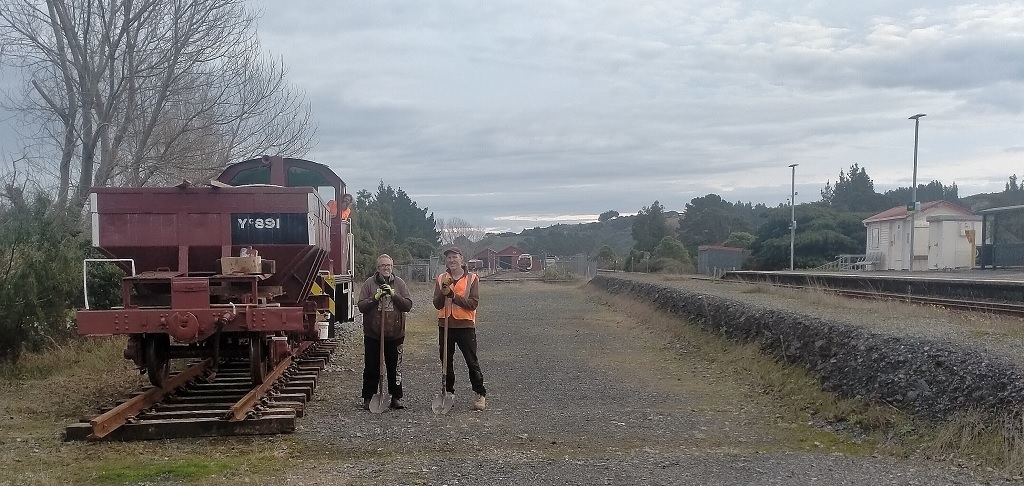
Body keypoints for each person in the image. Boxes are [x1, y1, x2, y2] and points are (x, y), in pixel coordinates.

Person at [432, 246, 487, 411]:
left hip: (465, 326)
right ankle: (448, 392)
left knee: (472, 362)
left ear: (461, 259)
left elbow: (473, 304)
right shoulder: (442, 277)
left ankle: (480, 393)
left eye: (454, 257)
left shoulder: (472, 278)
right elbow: (437, 304)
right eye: (449, 258)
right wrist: (443, 292)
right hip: (445, 325)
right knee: (446, 363)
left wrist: (453, 296)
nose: (451, 260)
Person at [357, 254, 413, 410]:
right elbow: (361, 306)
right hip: (373, 333)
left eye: (389, 265)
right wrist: (375, 297)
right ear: (378, 268)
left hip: (395, 333)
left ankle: (396, 397)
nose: (386, 268)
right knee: (371, 366)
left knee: (395, 367)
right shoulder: (369, 284)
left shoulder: (400, 283)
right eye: (383, 266)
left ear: (392, 267)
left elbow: (408, 305)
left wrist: (394, 294)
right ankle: (369, 397)